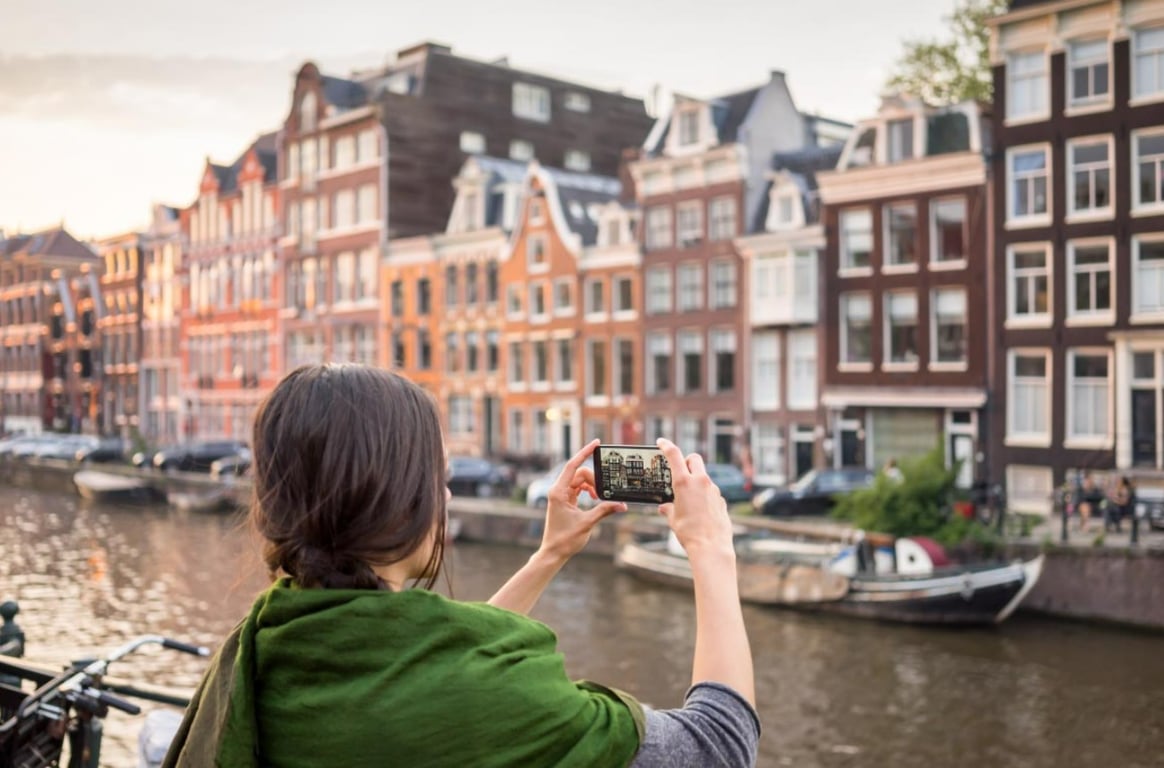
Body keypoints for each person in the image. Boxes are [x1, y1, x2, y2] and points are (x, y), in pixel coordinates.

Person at [163, 364, 759, 768]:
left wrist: (549, 556)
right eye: (437, 478)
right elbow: (718, 745)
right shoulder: (498, 700)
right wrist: (711, 549)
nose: (446, 497)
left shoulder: (268, 647)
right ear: (398, 498)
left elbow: (431, 670)